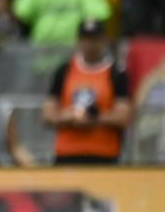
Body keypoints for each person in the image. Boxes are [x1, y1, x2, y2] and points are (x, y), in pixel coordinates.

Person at [43, 20, 132, 164]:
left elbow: (123, 116)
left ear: (104, 40)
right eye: (85, 39)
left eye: (94, 39)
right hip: (67, 151)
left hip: (103, 152)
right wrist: (68, 117)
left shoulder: (116, 73)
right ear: (78, 41)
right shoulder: (64, 70)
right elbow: (48, 114)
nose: (90, 45)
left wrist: (95, 117)